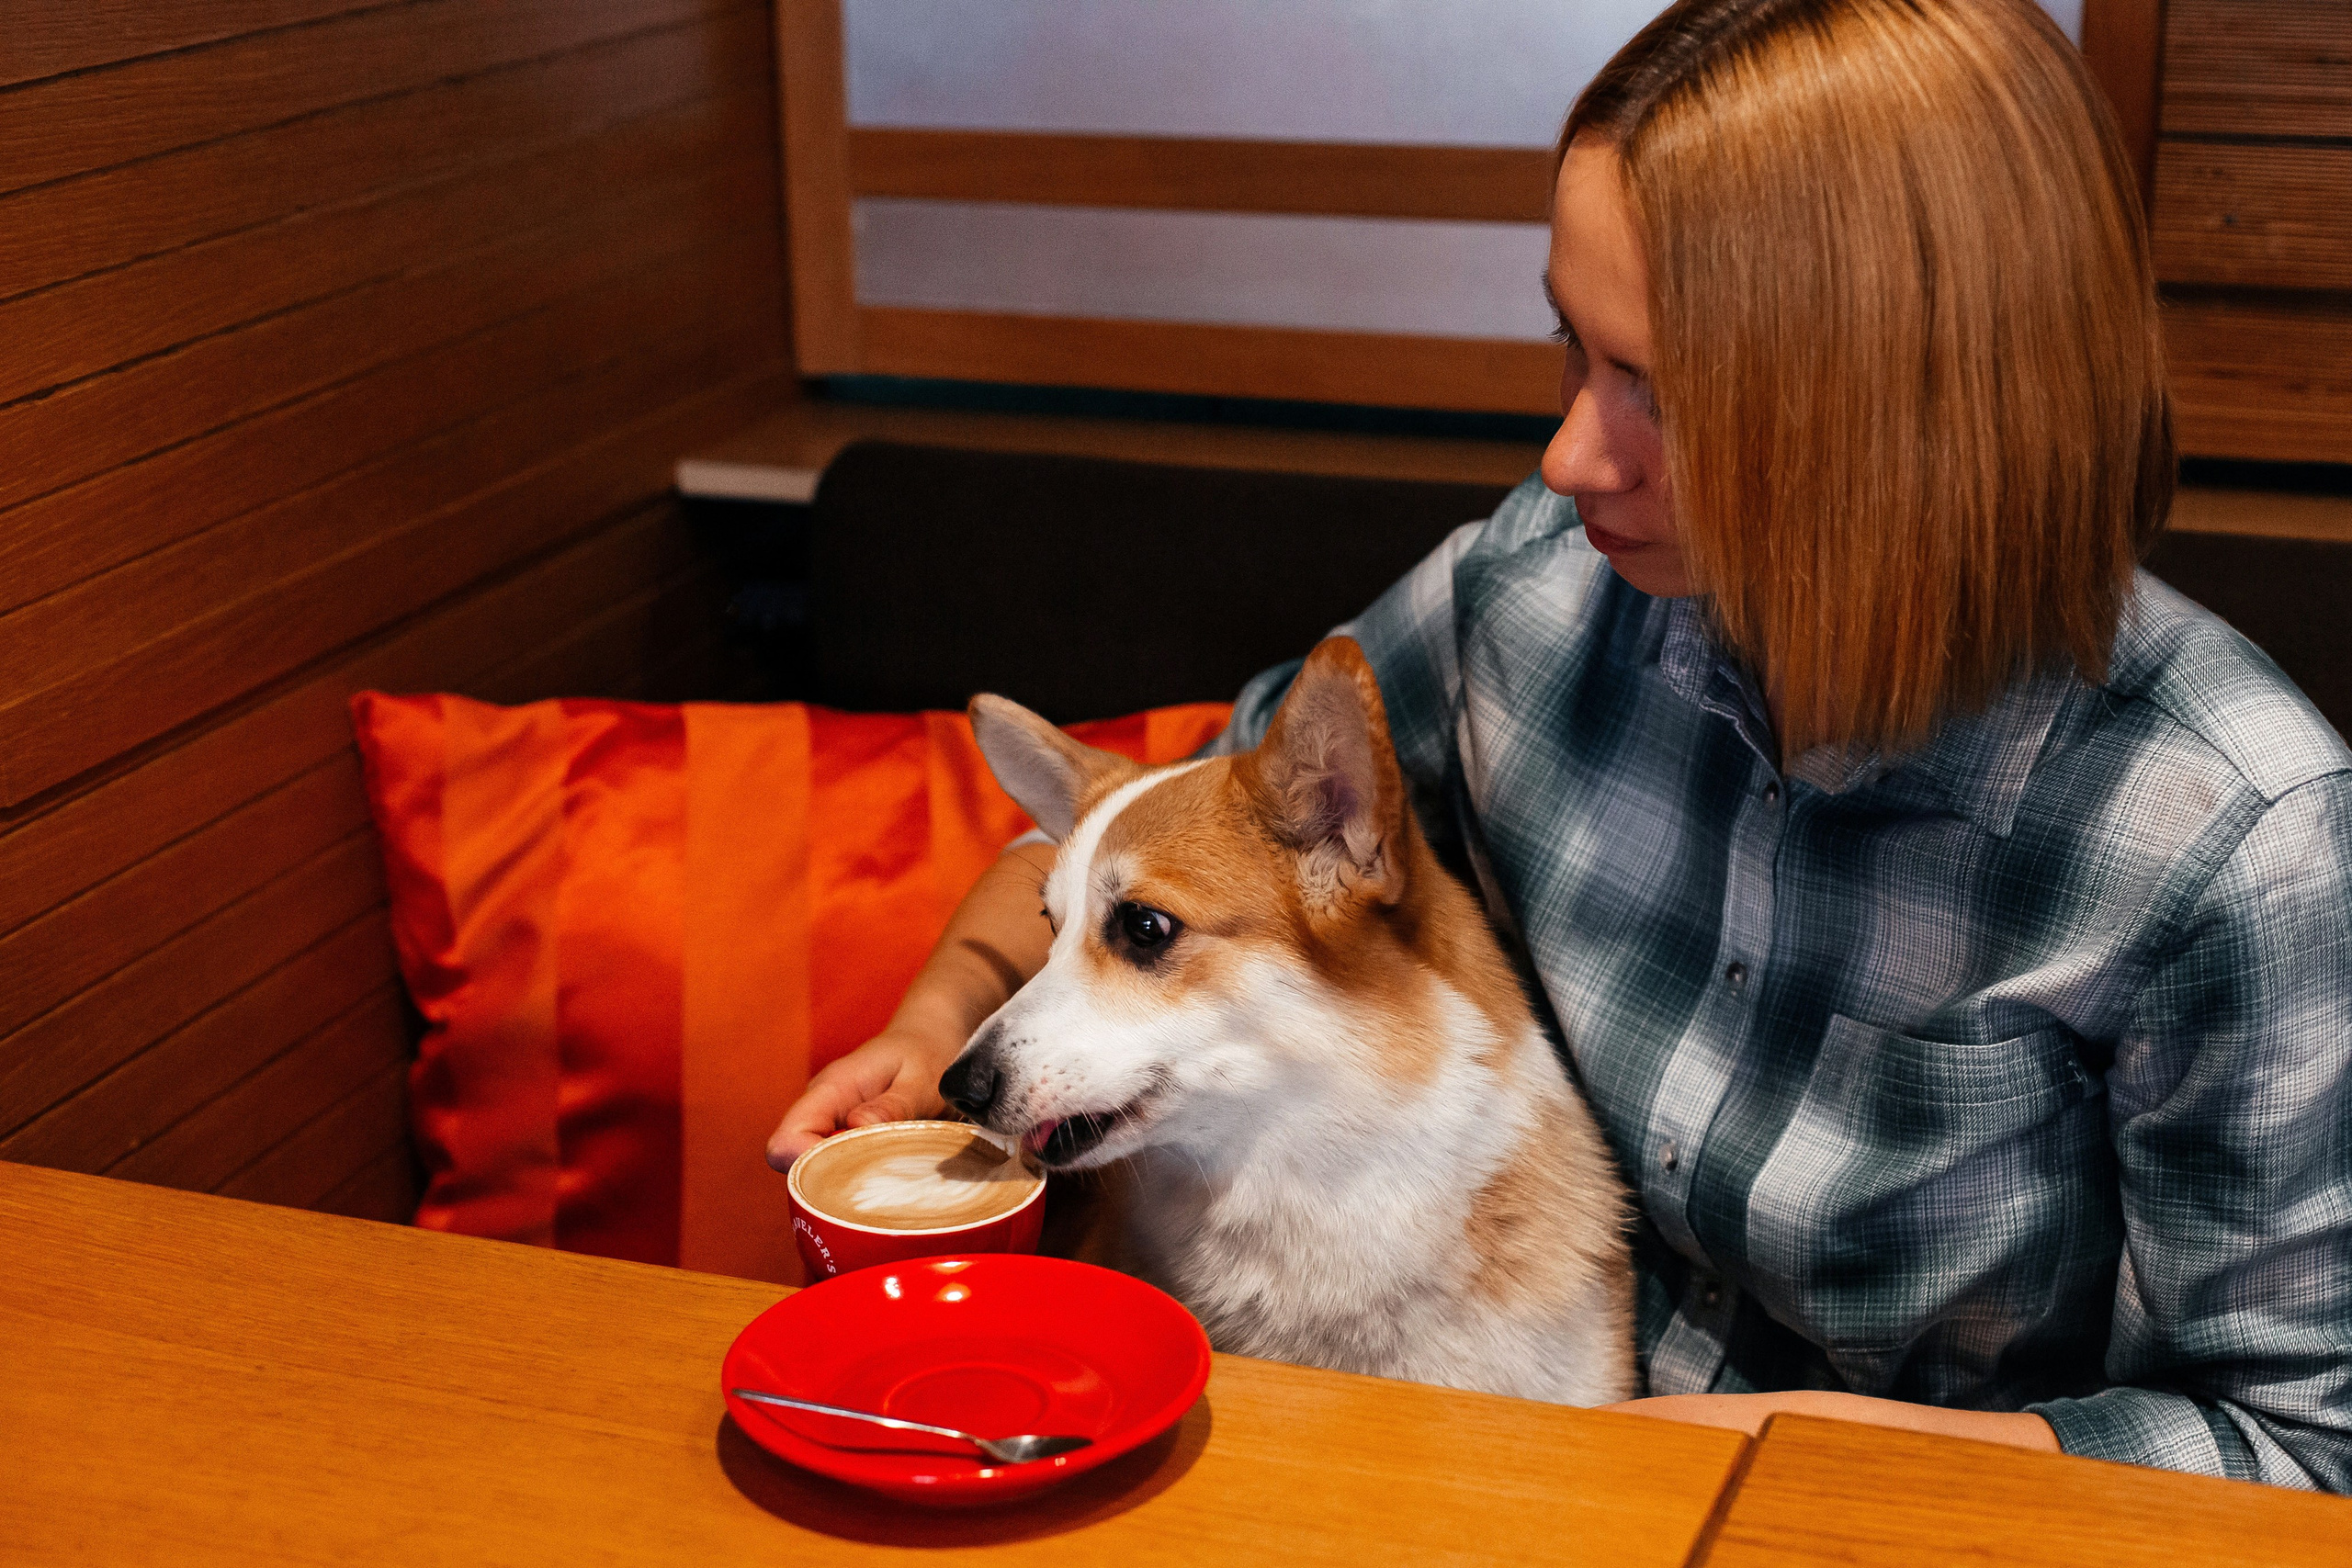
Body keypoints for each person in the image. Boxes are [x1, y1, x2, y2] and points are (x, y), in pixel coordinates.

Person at [768, 0, 2351, 1490]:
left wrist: (1783, 1444)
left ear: (1904, 411)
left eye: (1652, 387)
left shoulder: (2238, 839)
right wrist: (940, 1015)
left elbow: (2306, 1455)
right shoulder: (1533, 592)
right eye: (1569, 350)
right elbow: (1167, 835)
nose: (1570, 452)